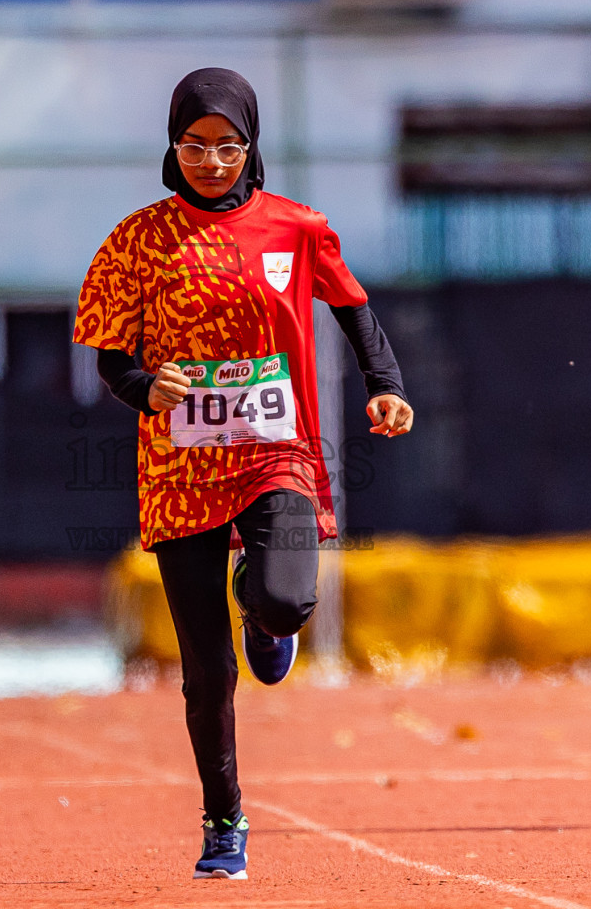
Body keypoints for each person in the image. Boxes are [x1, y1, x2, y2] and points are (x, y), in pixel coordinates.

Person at [74, 68, 413, 879]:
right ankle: (224, 820)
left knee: (289, 598)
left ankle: (266, 618)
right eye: (195, 145)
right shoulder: (136, 241)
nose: (212, 161)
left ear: (252, 147)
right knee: (206, 669)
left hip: (276, 449)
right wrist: (144, 386)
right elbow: (110, 360)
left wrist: (388, 386)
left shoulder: (297, 228)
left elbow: (353, 307)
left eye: (229, 146)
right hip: (180, 465)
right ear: (173, 146)